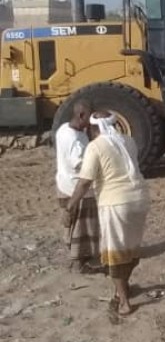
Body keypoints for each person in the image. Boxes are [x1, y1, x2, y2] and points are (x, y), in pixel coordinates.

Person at [68, 111, 150, 320]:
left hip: (115, 204)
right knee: (131, 250)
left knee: (114, 254)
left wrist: (71, 205)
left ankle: (123, 302)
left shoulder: (95, 146)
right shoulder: (128, 141)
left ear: (94, 128)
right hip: (139, 199)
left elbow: (85, 181)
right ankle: (122, 287)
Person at [54, 99, 99, 271]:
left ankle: (77, 258)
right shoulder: (74, 139)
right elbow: (81, 165)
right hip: (76, 188)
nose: (91, 122)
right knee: (81, 227)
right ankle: (79, 262)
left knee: (71, 224)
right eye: (89, 117)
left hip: (64, 184)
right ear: (81, 115)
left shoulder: (64, 128)